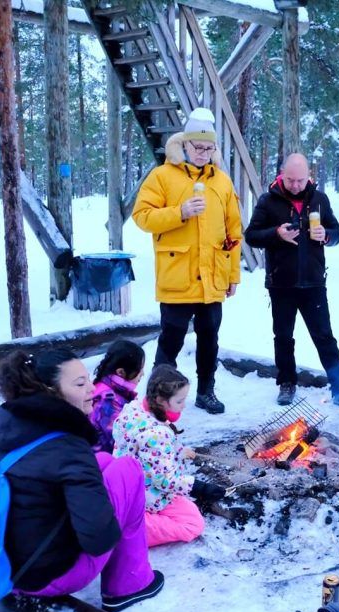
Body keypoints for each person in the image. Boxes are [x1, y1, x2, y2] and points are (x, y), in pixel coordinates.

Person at [0, 349, 164, 612]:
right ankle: (129, 585)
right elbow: (99, 539)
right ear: (50, 391)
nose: (91, 389)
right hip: (44, 578)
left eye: (88, 379)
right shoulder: (68, 448)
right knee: (128, 469)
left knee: (105, 463)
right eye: (79, 384)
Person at [132, 107, 243, 415]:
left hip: (212, 278)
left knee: (210, 340)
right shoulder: (162, 176)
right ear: (184, 143)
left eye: (209, 148)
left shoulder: (221, 181)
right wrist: (179, 212)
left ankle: (206, 391)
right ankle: (157, 399)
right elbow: (142, 217)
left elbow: (234, 231)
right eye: (198, 146)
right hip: (177, 276)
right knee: (171, 341)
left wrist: (232, 275)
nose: (203, 153)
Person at [244, 153, 339, 409]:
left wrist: (327, 235)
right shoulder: (269, 201)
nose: (295, 185)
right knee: (283, 336)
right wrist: (276, 234)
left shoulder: (319, 199)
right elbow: (252, 236)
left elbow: (337, 233)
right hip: (281, 283)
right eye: (290, 180)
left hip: (313, 282)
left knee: (324, 336)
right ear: (282, 175)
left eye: (300, 180)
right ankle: (287, 383)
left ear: (308, 176)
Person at [111, 365, 226, 547]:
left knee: (188, 509)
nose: (184, 405)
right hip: (145, 493)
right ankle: (132, 528)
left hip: (128, 483)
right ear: (160, 400)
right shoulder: (156, 434)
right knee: (193, 524)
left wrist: (179, 451)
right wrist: (199, 487)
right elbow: (164, 480)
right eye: (180, 401)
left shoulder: (135, 409)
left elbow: (149, 451)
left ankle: (133, 517)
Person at [89, 340, 146, 455]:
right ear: (121, 372)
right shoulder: (108, 401)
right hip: (103, 463)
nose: (143, 373)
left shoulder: (113, 389)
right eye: (139, 370)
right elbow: (120, 439)